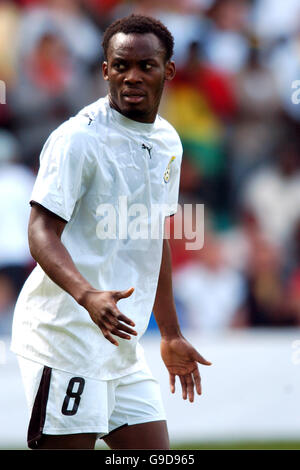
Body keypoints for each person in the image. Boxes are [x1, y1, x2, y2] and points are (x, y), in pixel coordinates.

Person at [11, 14, 211, 450]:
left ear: (168, 71)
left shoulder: (168, 142)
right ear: (105, 70)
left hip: (121, 342)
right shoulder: (77, 140)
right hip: (64, 336)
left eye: (146, 66)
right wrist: (87, 296)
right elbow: (41, 230)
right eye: (121, 65)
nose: (132, 76)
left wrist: (172, 332)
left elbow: (153, 236)